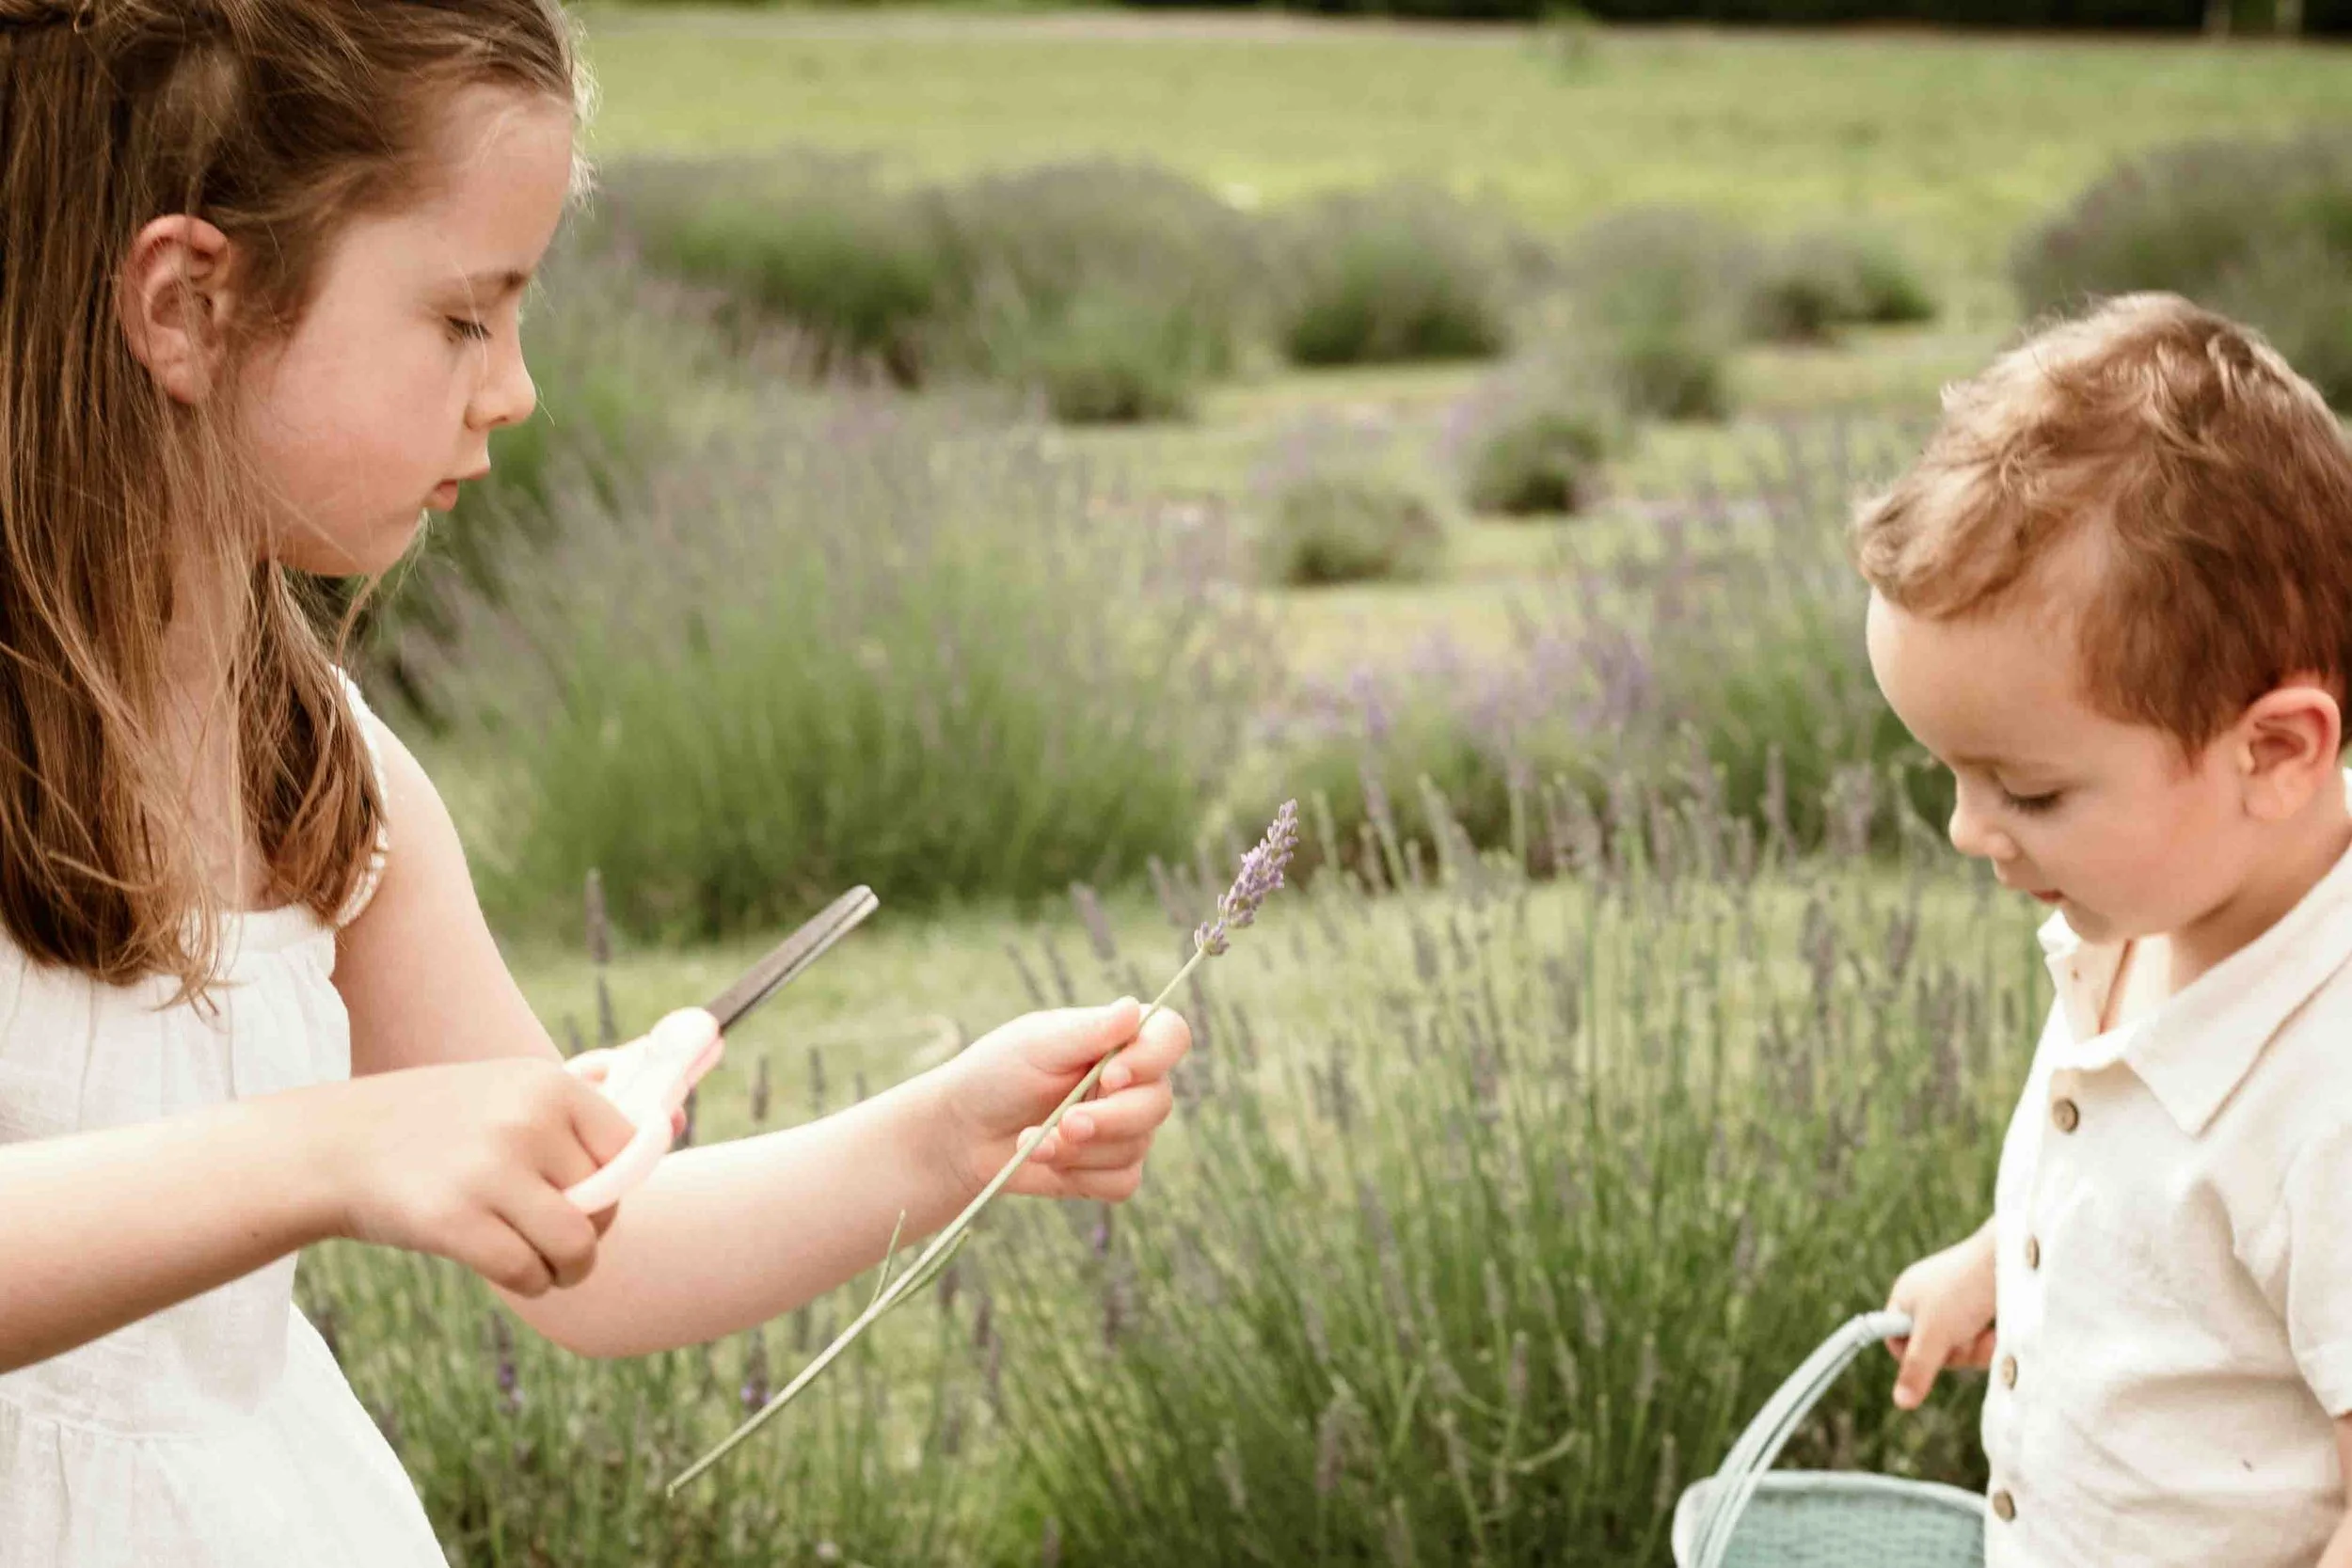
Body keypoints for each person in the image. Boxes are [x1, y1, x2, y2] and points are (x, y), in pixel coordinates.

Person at [0, 5, 1190, 1562]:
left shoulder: (322, 775)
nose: (515, 391)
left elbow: (596, 1264)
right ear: (189, 305)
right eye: (462, 318)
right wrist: (333, 1150)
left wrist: (944, 1135)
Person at [1863, 291, 2352, 1567]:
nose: (1973, 830)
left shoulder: (2330, 1099)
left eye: (2027, 789)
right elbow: (2134, 1192)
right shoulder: (2143, 913)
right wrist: (1999, 1259)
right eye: (1950, 776)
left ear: (2277, 749)